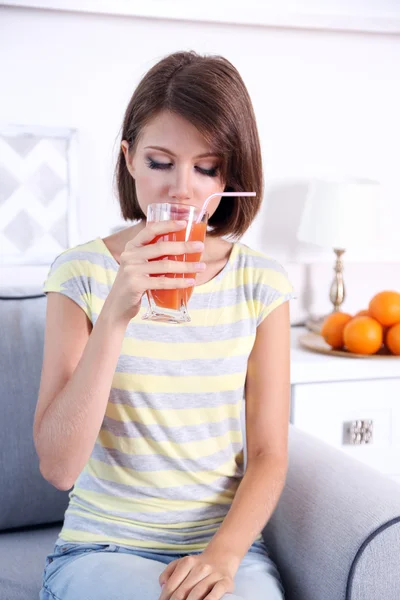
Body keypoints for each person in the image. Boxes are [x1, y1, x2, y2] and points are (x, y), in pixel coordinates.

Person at [34, 50, 294, 600]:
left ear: (231, 178)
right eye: (159, 162)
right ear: (129, 160)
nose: (182, 190)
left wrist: (222, 559)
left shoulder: (260, 285)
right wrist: (116, 315)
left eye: (206, 168)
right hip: (104, 548)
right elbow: (58, 467)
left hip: (221, 551)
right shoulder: (80, 273)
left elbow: (270, 453)